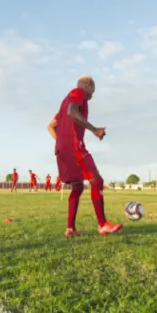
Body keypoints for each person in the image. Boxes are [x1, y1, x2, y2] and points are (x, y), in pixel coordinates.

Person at [47, 75, 122, 237]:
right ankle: (102, 224)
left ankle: (70, 229)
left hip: (61, 149)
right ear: (87, 85)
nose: (91, 96)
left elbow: (51, 126)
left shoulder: (64, 102)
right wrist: (94, 129)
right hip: (74, 147)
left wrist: (61, 142)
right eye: (92, 91)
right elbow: (72, 112)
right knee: (97, 180)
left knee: (78, 186)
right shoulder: (78, 93)